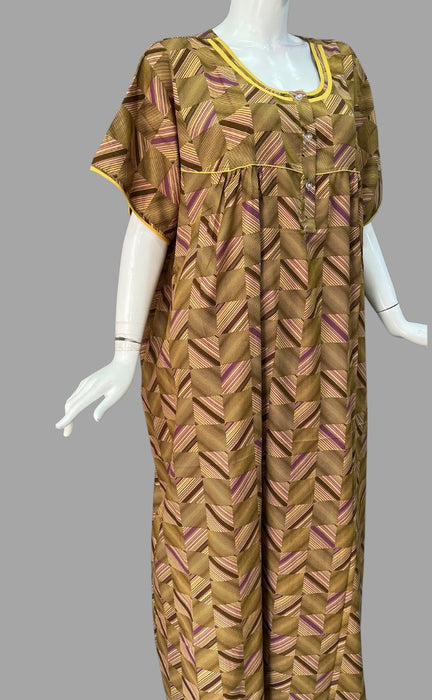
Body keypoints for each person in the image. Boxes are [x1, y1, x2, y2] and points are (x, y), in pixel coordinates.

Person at [56, 2, 427, 697]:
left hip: (325, 361)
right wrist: (123, 347)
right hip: (210, 360)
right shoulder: (175, 67)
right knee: (214, 557)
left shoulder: (344, 70)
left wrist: (396, 313)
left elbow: (352, 210)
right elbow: (151, 216)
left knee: (322, 554)